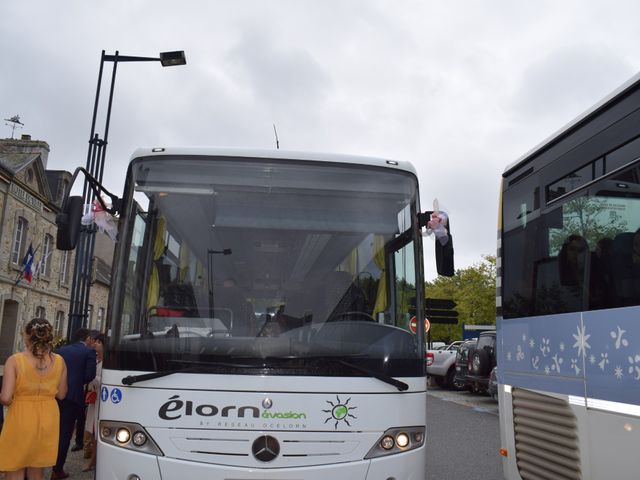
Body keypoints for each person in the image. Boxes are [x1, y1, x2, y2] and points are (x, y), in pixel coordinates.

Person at [0, 318, 68, 480]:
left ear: (27, 336)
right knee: (37, 471)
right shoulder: (60, 361)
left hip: (21, 417)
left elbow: (6, 398)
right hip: (48, 418)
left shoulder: (15, 361)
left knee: (14, 468)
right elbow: (62, 394)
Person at [51, 328, 97, 480]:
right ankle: (57, 470)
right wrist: (77, 383)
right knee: (65, 433)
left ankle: (47, 461)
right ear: (88, 338)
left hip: (55, 394)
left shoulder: (60, 350)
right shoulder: (88, 352)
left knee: (54, 431)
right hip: (73, 396)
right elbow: (90, 375)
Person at [82, 332, 105, 472]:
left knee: (97, 431)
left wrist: (92, 377)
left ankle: (94, 461)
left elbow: (104, 381)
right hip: (93, 399)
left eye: (98, 342)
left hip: (101, 401)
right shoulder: (96, 361)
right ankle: (92, 458)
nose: (95, 344)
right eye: (95, 342)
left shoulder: (106, 363)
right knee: (91, 430)